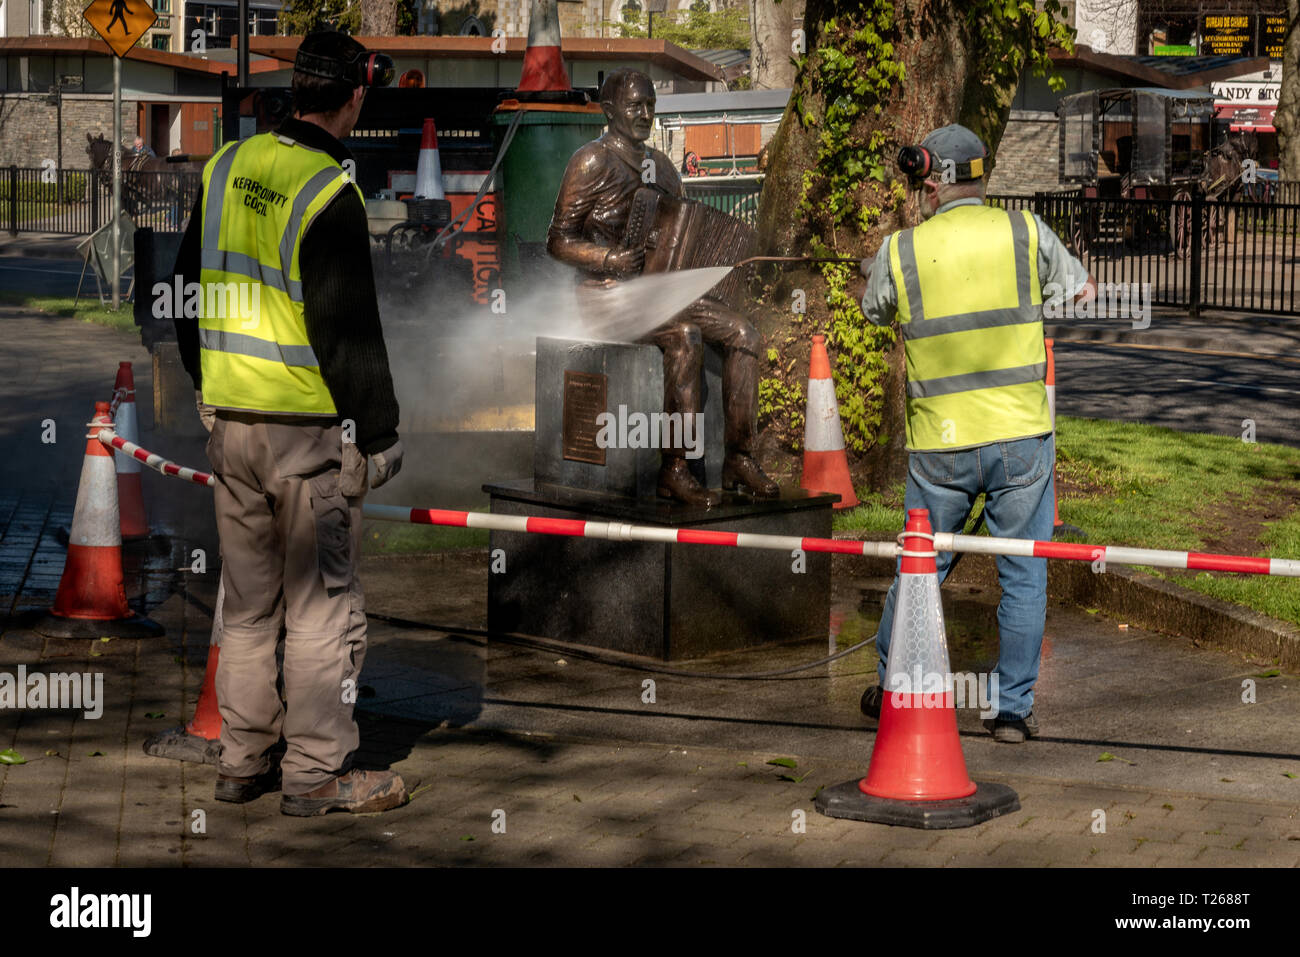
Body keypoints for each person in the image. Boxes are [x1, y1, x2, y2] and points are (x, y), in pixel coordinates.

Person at [173, 30, 407, 814]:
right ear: (354, 96)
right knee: (321, 609)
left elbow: (183, 292)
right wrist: (379, 434)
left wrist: (207, 383)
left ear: (293, 88)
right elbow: (348, 332)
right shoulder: (326, 189)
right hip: (305, 439)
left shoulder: (224, 168)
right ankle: (317, 773)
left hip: (231, 427)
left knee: (244, 608)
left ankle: (242, 761)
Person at [856, 124, 1096, 743]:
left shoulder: (902, 249)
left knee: (920, 570)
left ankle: (889, 689)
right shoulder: (1025, 231)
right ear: (979, 175)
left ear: (932, 176)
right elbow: (1079, 289)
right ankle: (1011, 710)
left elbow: (874, 309)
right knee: (1022, 573)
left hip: (940, 446)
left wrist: (876, 270)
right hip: (1020, 440)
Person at [547, 68, 778, 507]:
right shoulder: (590, 161)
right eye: (635, 106)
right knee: (684, 338)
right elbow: (557, 241)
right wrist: (608, 259)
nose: (645, 114)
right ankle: (674, 468)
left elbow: (684, 227)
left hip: (663, 293)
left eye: (651, 105)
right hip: (607, 298)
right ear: (610, 110)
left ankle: (739, 457)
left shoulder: (665, 168)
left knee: (745, 334)